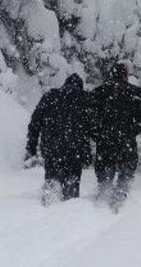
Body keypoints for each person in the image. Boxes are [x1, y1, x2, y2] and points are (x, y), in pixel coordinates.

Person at [89, 63, 141, 212]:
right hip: (126, 147)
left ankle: (100, 212)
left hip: (105, 148)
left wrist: (99, 135)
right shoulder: (135, 92)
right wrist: (129, 132)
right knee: (124, 183)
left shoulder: (99, 92)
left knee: (104, 185)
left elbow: (89, 120)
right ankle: (119, 211)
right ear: (125, 75)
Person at [25, 74, 92, 205]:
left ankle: (50, 206)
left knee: (52, 180)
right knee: (71, 185)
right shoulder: (84, 99)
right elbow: (92, 127)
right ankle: (68, 208)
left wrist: (31, 145)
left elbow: (35, 123)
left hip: (52, 148)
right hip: (75, 151)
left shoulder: (49, 96)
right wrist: (87, 152)